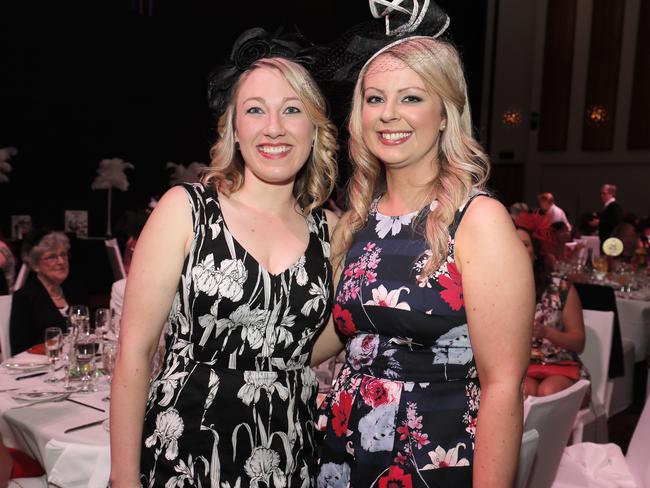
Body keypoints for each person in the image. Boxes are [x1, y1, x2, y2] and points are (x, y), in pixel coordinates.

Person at [311, 5, 534, 486]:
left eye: (410, 97)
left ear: (444, 114)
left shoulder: (479, 221)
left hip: (434, 456)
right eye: (374, 99)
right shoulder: (357, 220)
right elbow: (337, 335)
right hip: (346, 451)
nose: (388, 114)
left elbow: (502, 387)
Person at [109, 29, 339, 487]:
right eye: (255, 110)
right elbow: (134, 353)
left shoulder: (333, 232)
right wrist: (123, 479)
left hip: (289, 455)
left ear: (315, 128)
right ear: (234, 128)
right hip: (184, 451)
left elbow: (311, 344)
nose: (274, 127)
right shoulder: (187, 210)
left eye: (292, 110)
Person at [514, 214, 588, 399]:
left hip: (560, 366)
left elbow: (579, 342)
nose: (517, 250)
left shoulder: (560, 288)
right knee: (523, 392)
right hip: (522, 366)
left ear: (536, 252)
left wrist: (546, 332)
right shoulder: (498, 289)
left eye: (524, 244)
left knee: (548, 392)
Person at [9, 229, 87, 354]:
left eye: (63, 254)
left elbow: (88, 334)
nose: (61, 261)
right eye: (52, 257)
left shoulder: (76, 290)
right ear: (35, 264)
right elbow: (19, 350)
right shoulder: (25, 297)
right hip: (40, 368)